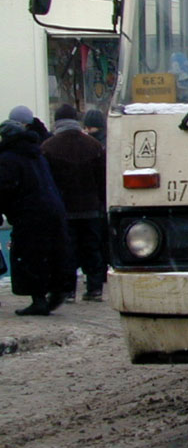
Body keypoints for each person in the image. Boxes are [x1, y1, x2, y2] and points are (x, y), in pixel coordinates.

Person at [0, 119, 73, 315]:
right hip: (53, 209)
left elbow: (5, 188)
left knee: (32, 256)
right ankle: (58, 290)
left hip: (29, 214)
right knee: (54, 253)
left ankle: (39, 299)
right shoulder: (36, 154)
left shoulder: (8, 158)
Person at [41, 105, 107, 302]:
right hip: (91, 207)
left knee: (67, 250)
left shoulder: (48, 147)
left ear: (57, 121)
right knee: (92, 248)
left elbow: (46, 182)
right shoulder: (94, 145)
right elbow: (102, 178)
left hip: (64, 208)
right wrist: (101, 203)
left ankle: (68, 290)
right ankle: (95, 288)